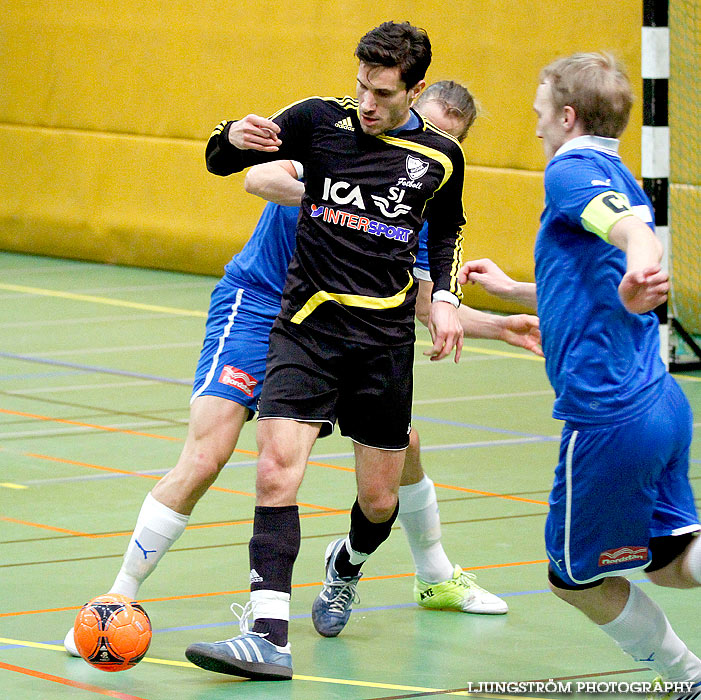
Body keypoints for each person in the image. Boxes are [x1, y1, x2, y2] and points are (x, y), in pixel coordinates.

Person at [61, 77, 536, 660]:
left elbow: (410, 296)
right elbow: (258, 175)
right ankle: (117, 597)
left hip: (340, 326)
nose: (428, 144)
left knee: (397, 445)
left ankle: (431, 574)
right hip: (262, 304)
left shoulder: (421, 192)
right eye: (429, 126)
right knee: (208, 452)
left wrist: (499, 325)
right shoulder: (334, 132)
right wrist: (329, 192)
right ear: (405, 103)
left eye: (445, 139)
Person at [182, 21, 512, 681]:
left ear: (413, 90)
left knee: (380, 502)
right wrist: (228, 138)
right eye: (361, 85)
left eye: (383, 93)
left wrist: (445, 301)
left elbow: (447, 230)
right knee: (276, 469)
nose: (367, 102)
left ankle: (347, 565)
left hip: (381, 344)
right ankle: (269, 634)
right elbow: (226, 163)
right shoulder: (315, 120)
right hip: (306, 326)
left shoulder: (440, 156)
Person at [460, 52, 700, 699]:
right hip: (660, 405)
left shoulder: (569, 170)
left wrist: (642, 262)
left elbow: (629, 236)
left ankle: (687, 679)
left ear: (566, 117)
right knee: (673, 561)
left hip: (607, 418)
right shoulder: (617, 173)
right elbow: (587, 281)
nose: (535, 126)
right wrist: (511, 289)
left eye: (540, 113)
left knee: (572, 577)